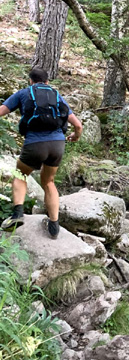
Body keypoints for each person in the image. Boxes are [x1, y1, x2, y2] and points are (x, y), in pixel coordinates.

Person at [0, 68, 83, 239]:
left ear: (30, 80)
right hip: (57, 144)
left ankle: (17, 214)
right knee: (49, 181)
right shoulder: (56, 95)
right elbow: (78, 125)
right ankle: (54, 225)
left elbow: (2, 111)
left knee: (21, 174)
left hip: (34, 143)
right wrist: (75, 136)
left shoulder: (23, 93)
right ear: (47, 81)